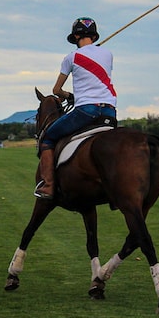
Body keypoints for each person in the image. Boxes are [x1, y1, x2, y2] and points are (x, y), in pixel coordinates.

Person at [34, 17, 117, 199]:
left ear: (76, 36)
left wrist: (68, 96)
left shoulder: (70, 58)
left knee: (47, 138)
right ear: (94, 37)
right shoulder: (108, 54)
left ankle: (48, 185)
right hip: (110, 111)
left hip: (86, 110)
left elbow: (56, 90)